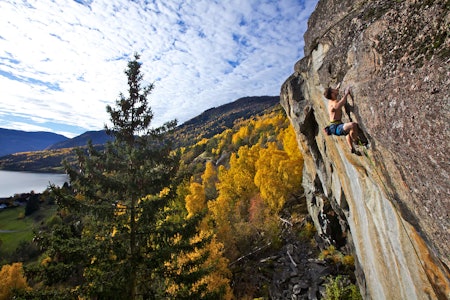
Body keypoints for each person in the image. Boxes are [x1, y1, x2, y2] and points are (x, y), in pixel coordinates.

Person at [323, 85, 360, 154]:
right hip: (336, 127)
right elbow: (341, 103)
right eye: (333, 89)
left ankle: (351, 148)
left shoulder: (331, 99)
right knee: (352, 125)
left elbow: (334, 92)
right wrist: (346, 94)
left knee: (346, 132)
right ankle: (356, 142)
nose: (334, 89)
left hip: (336, 125)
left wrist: (337, 88)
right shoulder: (333, 104)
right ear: (332, 94)